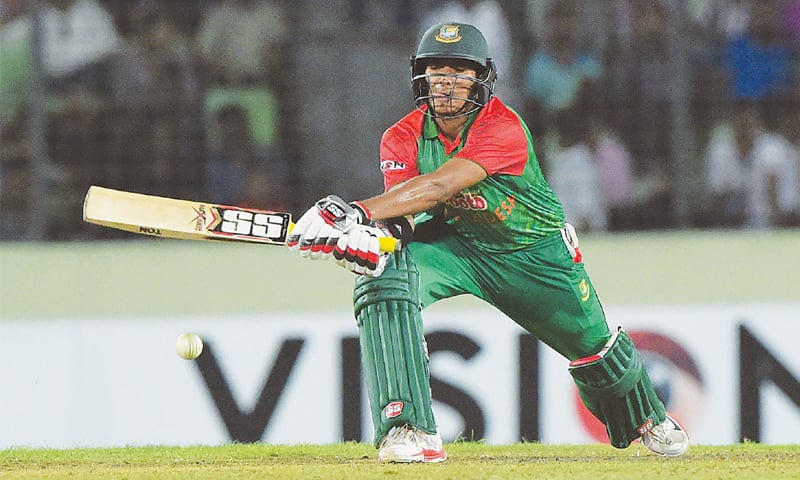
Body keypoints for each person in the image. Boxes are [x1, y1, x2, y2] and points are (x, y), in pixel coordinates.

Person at [287, 22, 689, 463]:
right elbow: (400, 219)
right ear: (421, 78)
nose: (447, 83)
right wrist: (366, 240)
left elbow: (440, 185)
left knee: (597, 354)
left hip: (533, 255)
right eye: (437, 71)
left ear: (482, 80)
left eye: (460, 72)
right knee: (382, 275)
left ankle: (650, 417)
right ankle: (409, 428)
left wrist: (356, 213)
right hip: (458, 246)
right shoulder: (400, 136)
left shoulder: (503, 127)